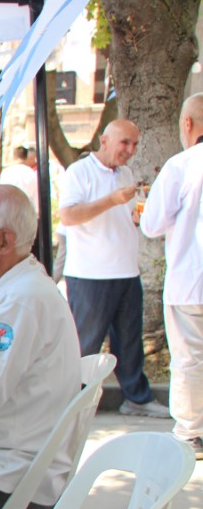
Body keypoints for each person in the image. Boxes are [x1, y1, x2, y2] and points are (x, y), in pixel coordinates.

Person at [0, 184, 81, 509]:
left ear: (4, 241)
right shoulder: (22, 287)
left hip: (7, 477)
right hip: (10, 463)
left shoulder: (23, 299)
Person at [58, 119, 170, 418]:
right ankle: (73, 403)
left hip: (126, 270)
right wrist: (111, 200)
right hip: (90, 273)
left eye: (134, 144)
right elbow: (67, 215)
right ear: (104, 140)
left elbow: (124, 215)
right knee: (86, 343)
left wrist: (135, 214)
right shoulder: (79, 171)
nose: (130, 150)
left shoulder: (127, 174)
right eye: (125, 143)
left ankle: (136, 397)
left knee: (130, 340)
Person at [140, 93, 203, 458]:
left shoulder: (181, 165)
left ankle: (191, 433)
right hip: (188, 278)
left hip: (190, 279)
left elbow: (152, 224)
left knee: (190, 358)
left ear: (188, 124)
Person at [0, 145, 39, 211]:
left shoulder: (6, 172)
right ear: (26, 157)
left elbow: (1, 194)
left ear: (14, 157)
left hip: (9, 210)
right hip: (27, 211)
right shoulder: (32, 173)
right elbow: (36, 198)